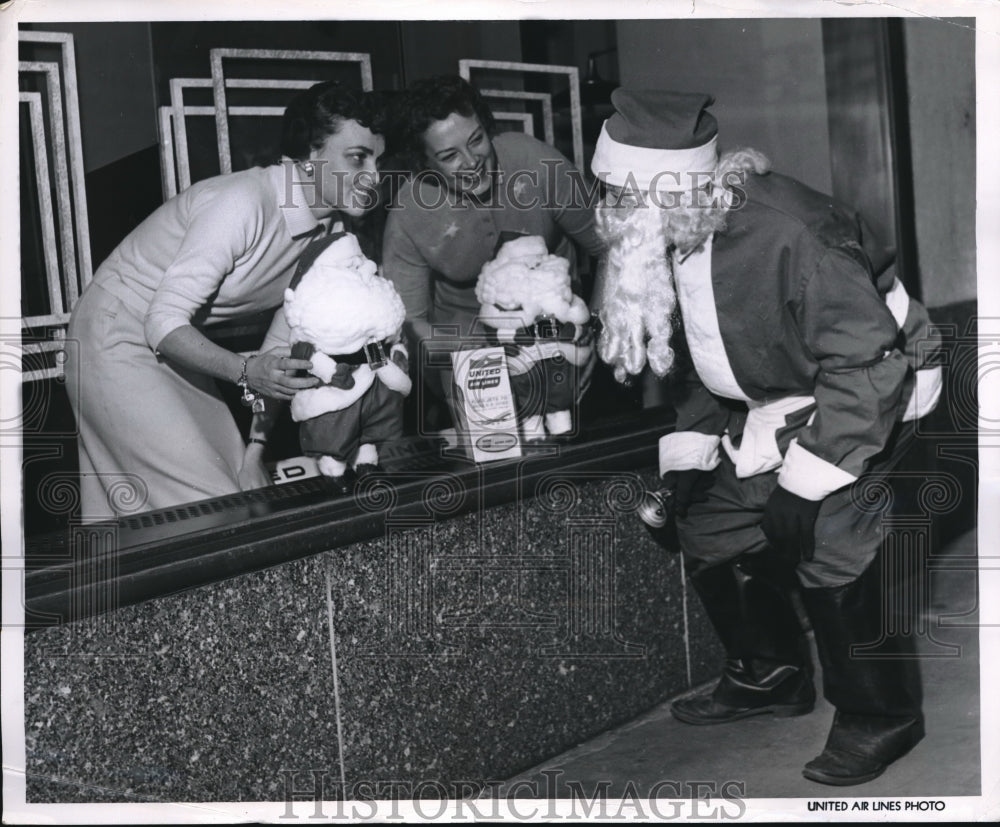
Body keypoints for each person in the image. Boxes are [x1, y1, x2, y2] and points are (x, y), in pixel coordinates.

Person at [590, 89, 942, 786]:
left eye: (616, 191)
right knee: (713, 523)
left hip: (875, 387)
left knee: (833, 539)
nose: (606, 209)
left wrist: (810, 480)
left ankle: (883, 713)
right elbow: (703, 361)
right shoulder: (675, 227)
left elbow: (868, 365)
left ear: (664, 186)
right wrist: (692, 451)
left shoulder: (793, 234)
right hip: (783, 393)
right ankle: (768, 674)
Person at [65, 81, 385, 519]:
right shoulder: (243, 202)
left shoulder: (332, 239)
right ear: (311, 156)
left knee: (223, 496)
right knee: (210, 512)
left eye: (378, 160)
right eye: (357, 158)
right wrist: (245, 370)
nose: (375, 176)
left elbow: (278, 357)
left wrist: (255, 449)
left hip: (177, 349)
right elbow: (162, 320)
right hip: (113, 335)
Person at [380, 75, 605, 422]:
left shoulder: (537, 162)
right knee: (497, 449)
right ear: (424, 164)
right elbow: (408, 325)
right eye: (449, 155)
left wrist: (591, 332)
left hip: (557, 327)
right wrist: (483, 356)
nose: (471, 161)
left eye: (477, 139)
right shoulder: (409, 214)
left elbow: (611, 249)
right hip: (466, 344)